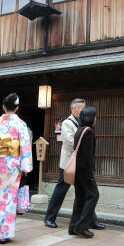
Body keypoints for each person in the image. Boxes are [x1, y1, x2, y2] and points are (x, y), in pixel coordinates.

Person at [0, 93, 33, 244]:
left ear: (3, 107)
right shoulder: (21, 124)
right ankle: (3, 233)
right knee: (8, 199)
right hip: (12, 165)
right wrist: (25, 166)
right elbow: (25, 146)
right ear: (17, 108)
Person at [44, 98, 105, 231]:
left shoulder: (84, 122)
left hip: (81, 163)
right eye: (80, 108)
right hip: (69, 163)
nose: (82, 110)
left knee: (85, 192)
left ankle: (91, 220)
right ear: (72, 109)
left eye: (84, 108)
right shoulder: (67, 123)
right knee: (61, 190)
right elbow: (70, 142)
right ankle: (49, 217)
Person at [68, 106, 100, 238]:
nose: (96, 118)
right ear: (91, 117)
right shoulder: (89, 132)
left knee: (80, 199)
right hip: (84, 171)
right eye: (95, 115)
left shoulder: (79, 130)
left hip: (77, 171)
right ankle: (82, 227)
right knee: (93, 195)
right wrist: (90, 174)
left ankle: (73, 227)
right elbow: (87, 156)